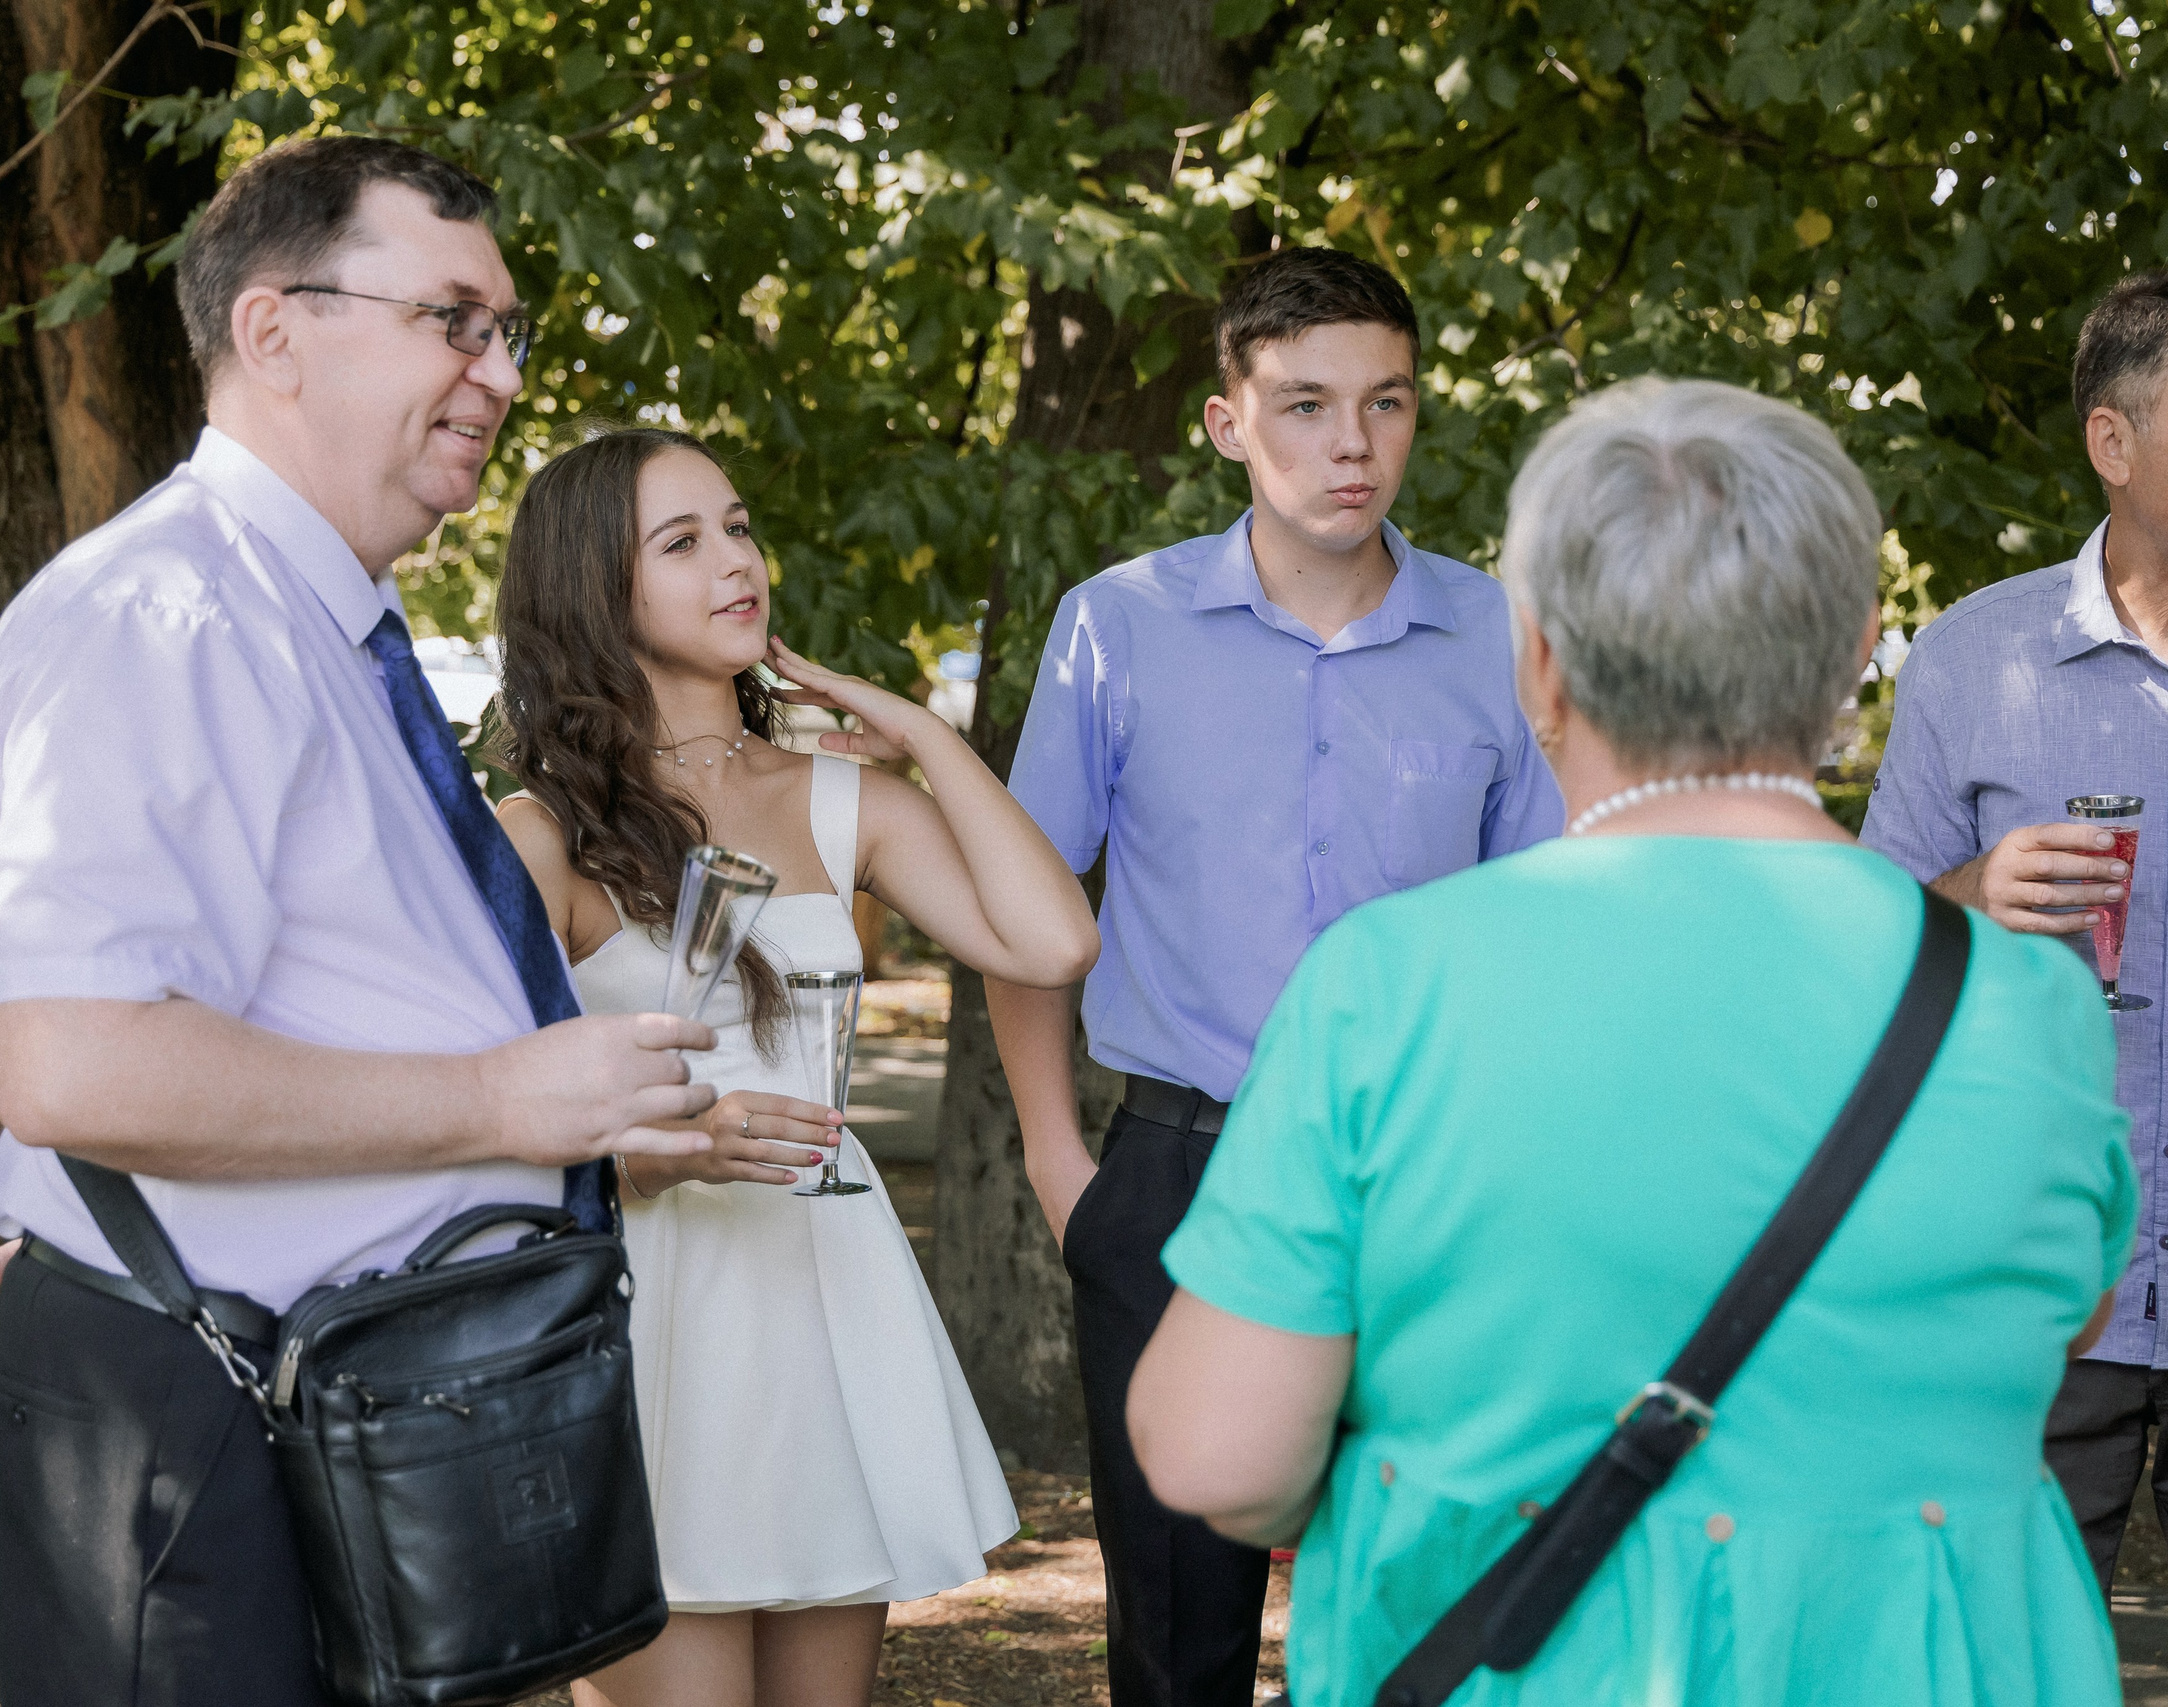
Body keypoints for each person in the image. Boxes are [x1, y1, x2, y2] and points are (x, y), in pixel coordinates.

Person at [1123, 376, 2134, 1706]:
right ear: (1860, 648)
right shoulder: (2028, 1001)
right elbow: (2064, 1310)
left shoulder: (1392, 981)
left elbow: (1216, 1454)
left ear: (1535, 655)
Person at [0, 139, 724, 1706]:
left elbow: (290, 1002)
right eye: (452, 320)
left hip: (327, 1393)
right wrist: (501, 1100)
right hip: (216, 1422)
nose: (496, 372)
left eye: (508, 333)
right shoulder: (168, 617)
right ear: (277, 330)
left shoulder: (307, 615)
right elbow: (75, 1066)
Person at [985, 247, 1561, 1706]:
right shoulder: (1114, 626)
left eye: (1388, 403)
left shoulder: (1505, 634)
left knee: (1432, 1616)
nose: (1352, 444)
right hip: (1181, 1173)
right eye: (1305, 403)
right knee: (1178, 1632)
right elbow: (1023, 910)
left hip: (1430, 1177)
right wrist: (1065, 1167)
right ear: (1228, 419)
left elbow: (1543, 923)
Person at [491, 425, 1097, 1707]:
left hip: (826, 1289)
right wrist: (645, 1148)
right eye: (683, 541)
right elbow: (476, 1111)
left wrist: (920, 737)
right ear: (597, 588)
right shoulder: (543, 833)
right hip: (656, 1306)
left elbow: (1052, 941)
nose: (736, 560)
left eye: (739, 526)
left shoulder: (841, 798)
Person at [1861, 268, 2168, 1593]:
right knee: (2010, 1658)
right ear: (2113, 441)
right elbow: (1867, 949)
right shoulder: (1974, 656)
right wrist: (1968, 891)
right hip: (2046, 1277)